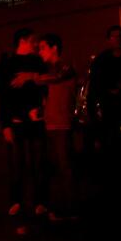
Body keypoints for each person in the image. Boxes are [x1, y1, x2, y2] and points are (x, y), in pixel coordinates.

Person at [1, 32, 46, 216]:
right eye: (32, 41)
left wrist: (32, 76)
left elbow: (46, 85)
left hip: (36, 120)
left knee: (38, 163)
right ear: (22, 42)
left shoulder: (38, 63)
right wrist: (5, 124)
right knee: (16, 164)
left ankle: (40, 201)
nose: (36, 44)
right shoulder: (8, 65)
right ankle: (16, 200)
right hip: (16, 121)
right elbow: (3, 96)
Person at [35, 34, 79, 219]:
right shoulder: (49, 69)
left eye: (43, 47)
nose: (40, 52)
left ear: (54, 48)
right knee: (51, 167)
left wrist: (34, 77)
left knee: (64, 167)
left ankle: (68, 209)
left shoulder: (64, 67)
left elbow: (56, 78)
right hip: (50, 124)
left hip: (62, 125)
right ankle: (54, 206)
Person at [87, 25, 121, 171]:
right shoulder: (101, 60)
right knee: (111, 140)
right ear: (109, 39)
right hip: (108, 108)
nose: (117, 39)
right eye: (114, 36)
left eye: (120, 36)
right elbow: (96, 83)